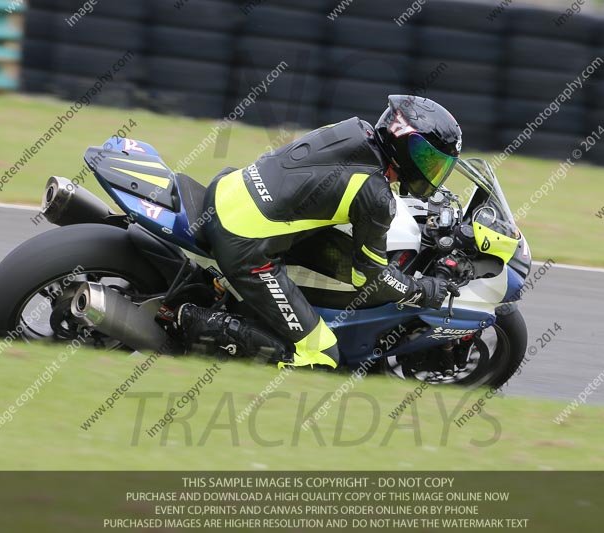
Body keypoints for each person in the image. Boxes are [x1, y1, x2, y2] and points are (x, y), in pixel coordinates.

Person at [178, 95, 463, 369]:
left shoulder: (354, 130)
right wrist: (423, 290)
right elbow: (370, 281)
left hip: (227, 188)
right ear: (404, 144)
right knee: (323, 356)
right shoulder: (375, 195)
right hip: (244, 243)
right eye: (428, 158)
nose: (433, 170)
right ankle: (197, 321)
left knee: (338, 257)